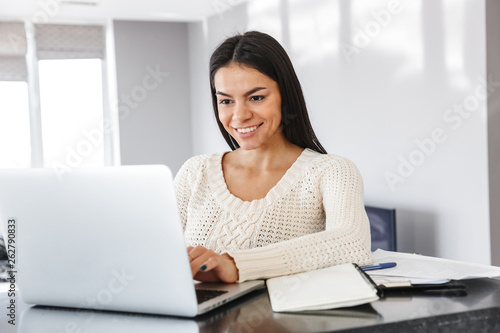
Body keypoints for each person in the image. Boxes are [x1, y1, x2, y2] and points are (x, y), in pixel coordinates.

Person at [174, 31, 372, 283]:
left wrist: (236, 265)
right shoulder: (195, 172)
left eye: (256, 98)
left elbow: (351, 242)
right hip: (203, 319)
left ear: (285, 96)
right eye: (226, 101)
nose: (239, 116)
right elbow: (156, 252)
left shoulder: (331, 171)